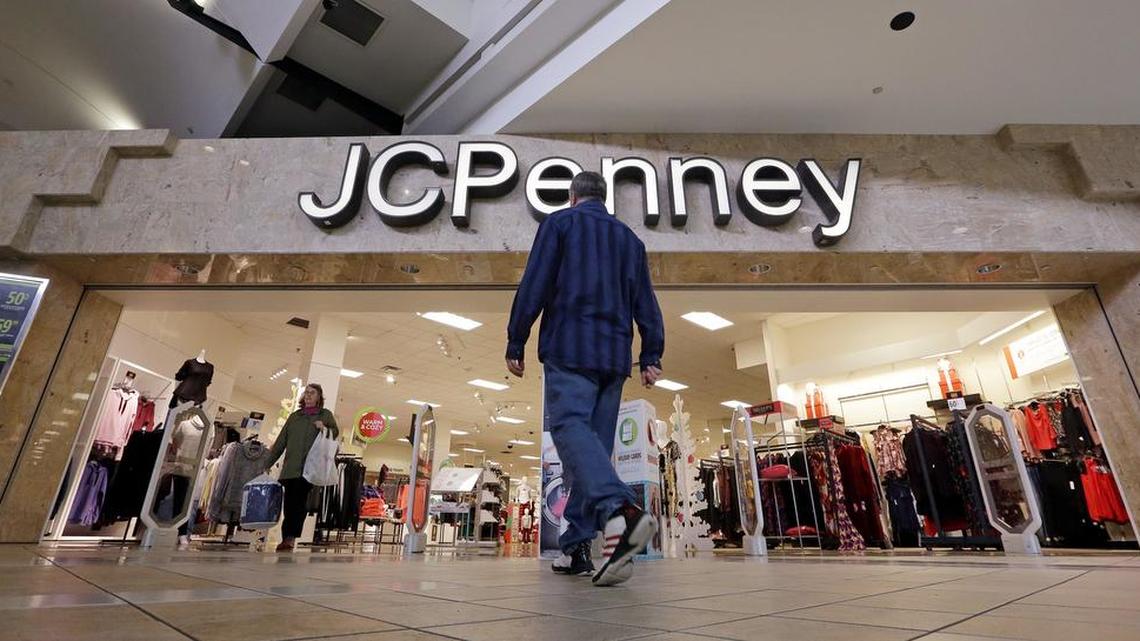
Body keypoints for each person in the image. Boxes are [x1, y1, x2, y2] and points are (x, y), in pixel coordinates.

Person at [506, 171, 664, 587]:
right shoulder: (630, 240)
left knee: (567, 426)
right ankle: (576, 546)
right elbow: (645, 299)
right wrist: (651, 353)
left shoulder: (559, 224)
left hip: (570, 347)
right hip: (614, 357)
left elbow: (535, 284)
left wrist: (515, 339)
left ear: (573, 197)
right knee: (588, 448)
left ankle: (622, 511)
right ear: (603, 198)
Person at [266, 383, 338, 552]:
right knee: (290, 504)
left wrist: (324, 428)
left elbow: (335, 434)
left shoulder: (325, 415)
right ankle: (288, 537)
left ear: (319, 397)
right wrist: (267, 463)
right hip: (290, 468)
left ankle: (289, 538)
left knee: (298, 503)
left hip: (309, 469)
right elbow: (280, 442)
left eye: (312, 393)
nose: (308, 395)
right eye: (306, 393)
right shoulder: (295, 417)